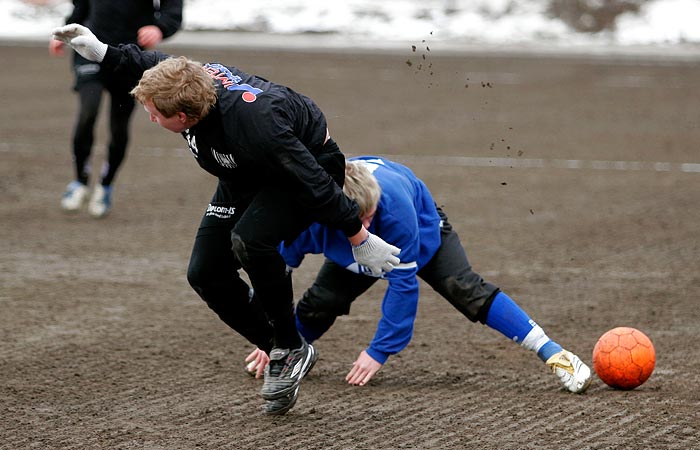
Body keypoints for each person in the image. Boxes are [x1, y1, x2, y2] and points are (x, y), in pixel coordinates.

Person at [51, 24, 402, 415]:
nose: (149, 118)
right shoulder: (186, 78)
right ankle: (288, 350)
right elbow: (150, 64)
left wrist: (357, 236)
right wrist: (100, 50)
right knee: (205, 273)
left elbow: (315, 181)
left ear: (183, 117)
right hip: (244, 173)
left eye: (152, 114)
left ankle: (287, 345)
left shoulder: (258, 124)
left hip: (303, 169)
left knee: (251, 240)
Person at [245, 156, 592, 394]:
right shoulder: (311, 212)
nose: (366, 227)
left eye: (370, 216)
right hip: (344, 242)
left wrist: (378, 351)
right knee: (321, 301)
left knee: (465, 289)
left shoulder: (393, 212)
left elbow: (402, 288)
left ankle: (554, 353)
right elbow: (278, 272)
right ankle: (292, 355)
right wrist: (276, 340)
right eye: (359, 220)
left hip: (423, 233)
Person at [50, 0, 183, 218]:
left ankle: (105, 185)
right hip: (88, 48)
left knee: (119, 126)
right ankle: (80, 181)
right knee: (87, 113)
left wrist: (159, 27)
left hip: (129, 56)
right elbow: (81, 7)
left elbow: (172, 8)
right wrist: (65, 32)